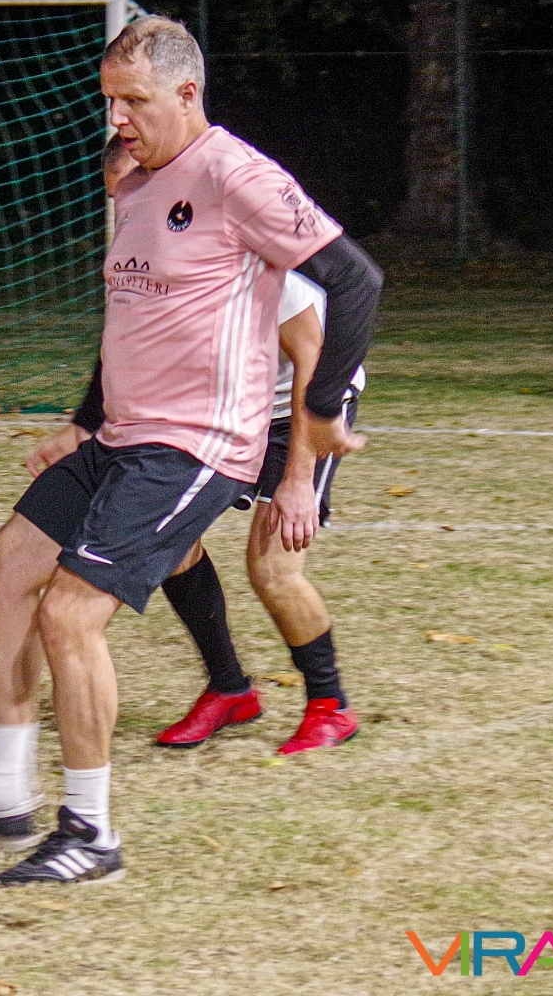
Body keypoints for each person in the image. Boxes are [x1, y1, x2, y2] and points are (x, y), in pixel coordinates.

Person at [0, 17, 381, 887]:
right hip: (121, 437)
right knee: (0, 573)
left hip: (195, 447)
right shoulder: (138, 185)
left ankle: (91, 834)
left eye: (133, 100)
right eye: (109, 100)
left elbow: (354, 280)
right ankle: (4, 791)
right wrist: (84, 420)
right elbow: (131, 319)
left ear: (187, 93)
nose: (116, 118)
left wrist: (319, 415)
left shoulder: (236, 176)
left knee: (69, 615)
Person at [155, 266, 367, 754]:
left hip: (301, 409)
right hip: (225, 409)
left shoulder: (264, 271)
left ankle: (330, 705)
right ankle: (230, 690)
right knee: (168, 539)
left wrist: (297, 479)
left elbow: (313, 364)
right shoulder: (159, 258)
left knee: (272, 569)